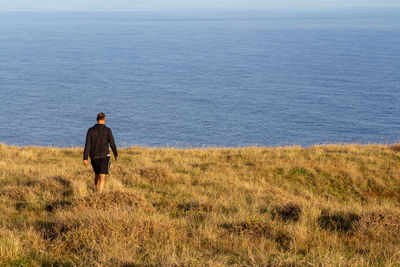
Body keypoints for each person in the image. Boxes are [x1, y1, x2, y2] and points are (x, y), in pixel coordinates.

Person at [83, 112, 118, 193]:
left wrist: (85, 158)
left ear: (96, 119)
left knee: (97, 174)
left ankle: (96, 189)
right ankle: (99, 194)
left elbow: (87, 145)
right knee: (102, 175)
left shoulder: (90, 130)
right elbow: (112, 144)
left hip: (94, 157)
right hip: (104, 156)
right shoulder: (107, 130)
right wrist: (116, 154)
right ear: (105, 120)